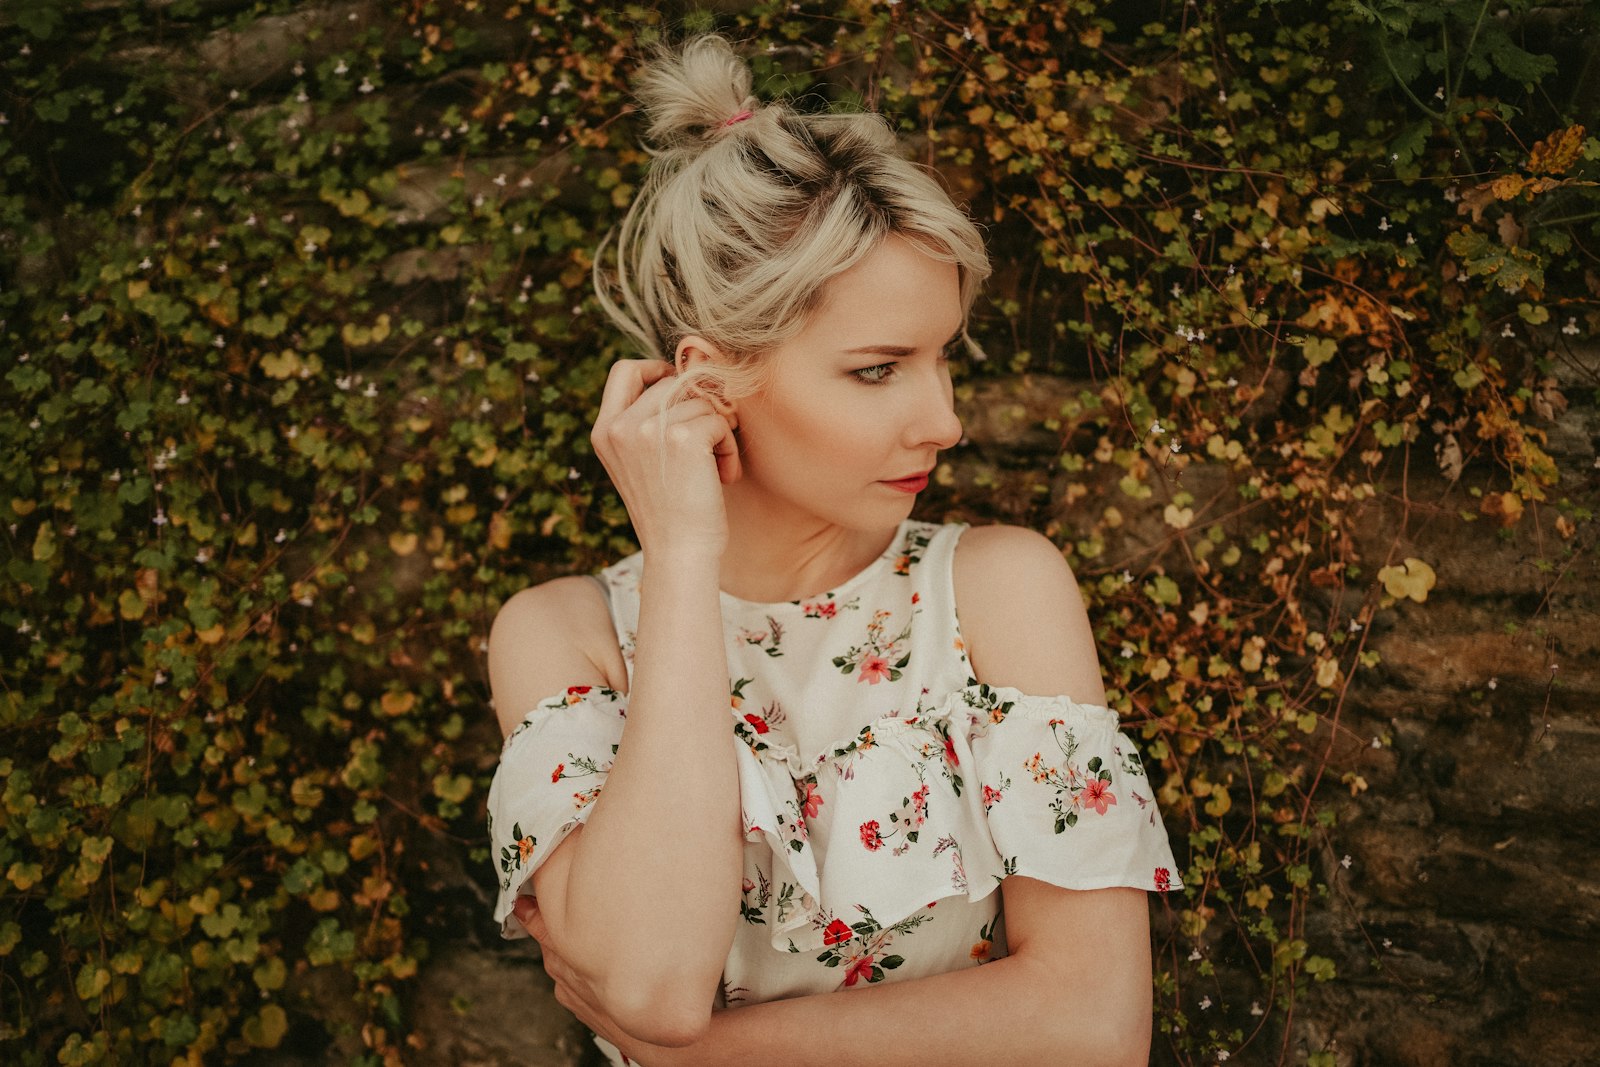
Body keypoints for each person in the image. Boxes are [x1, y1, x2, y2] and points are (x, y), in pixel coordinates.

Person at [485, 34, 1182, 1067]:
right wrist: (680, 553)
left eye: (942, 357)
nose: (942, 421)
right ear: (707, 380)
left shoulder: (994, 590)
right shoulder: (565, 634)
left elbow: (1092, 1024)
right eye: (876, 370)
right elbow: (651, 980)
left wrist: (693, 1057)